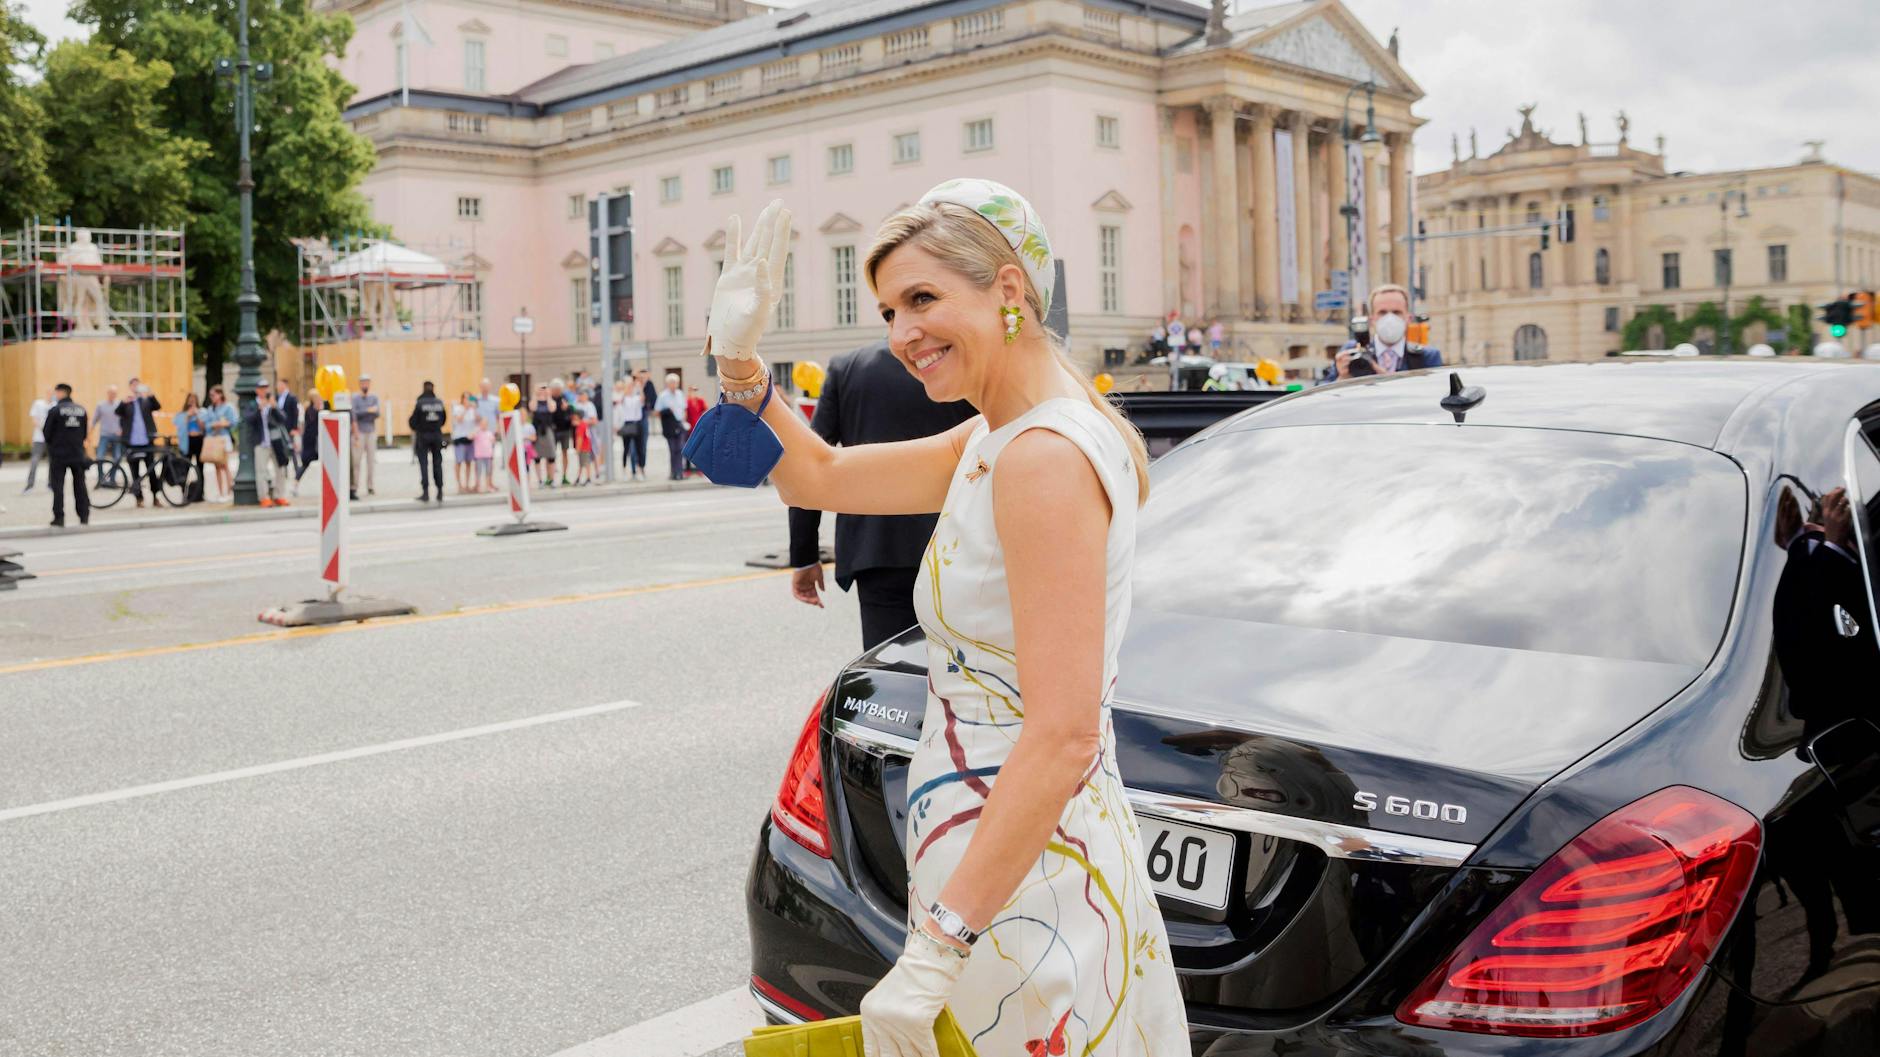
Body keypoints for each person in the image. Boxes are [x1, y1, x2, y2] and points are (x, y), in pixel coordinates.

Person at [699, 189, 1185, 1056]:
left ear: (1008, 288)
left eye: (923, 300)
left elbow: (1064, 731)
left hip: (1021, 879)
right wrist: (741, 365)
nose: (900, 332)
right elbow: (823, 476)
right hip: (1004, 860)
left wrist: (936, 949)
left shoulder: (1039, 457)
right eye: (888, 308)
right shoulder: (1001, 435)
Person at [787, 341, 976, 649]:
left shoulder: (846, 367)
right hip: (957, 542)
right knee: (962, 669)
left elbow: (809, 464)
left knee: (889, 670)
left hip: (876, 547)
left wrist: (804, 556)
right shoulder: (961, 361)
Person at [1322, 283, 1443, 383]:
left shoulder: (1427, 356)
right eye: (1382, 312)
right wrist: (1342, 377)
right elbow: (1324, 397)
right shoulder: (1351, 351)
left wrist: (1378, 372)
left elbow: (1434, 397)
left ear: (1408, 318)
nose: (1389, 318)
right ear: (1371, 319)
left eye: (1396, 312)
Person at [43, 383, 89, 527]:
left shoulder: (55, 410)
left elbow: (46, 433)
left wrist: (54, 446)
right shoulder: (81, 410)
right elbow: (84, 433)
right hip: (77, 453)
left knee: (58, 487)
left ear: (61, 393)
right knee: (80, 486)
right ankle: (84, 515)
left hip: (59, 455)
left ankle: (59, 517)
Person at [117, 377, 163, 508]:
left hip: (146, 441)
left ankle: (156, 497)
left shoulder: (146, 401)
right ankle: (139, 498)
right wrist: (124, 402)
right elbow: (118, 412)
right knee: (134, 471)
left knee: (151, 470)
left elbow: (157, 406)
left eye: (138, 385)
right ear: (130, 387)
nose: (136, 388)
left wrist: (150, 394)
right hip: (132, 442)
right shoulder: (127, 402)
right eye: (134, 385)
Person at [245, 381, 291, 507]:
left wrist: (274, 407)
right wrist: (259, 410)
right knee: (261, 471)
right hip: (261, 442)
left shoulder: (272, 403)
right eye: (261, 388)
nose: (264, 390)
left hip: (276, 442)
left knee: (280, 469)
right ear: (257, 390)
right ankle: (264, 497)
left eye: (266, 387)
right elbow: (248, 420)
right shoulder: (252, 404)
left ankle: (279, 495)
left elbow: (283, 419)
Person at [409, 380, 448, 503]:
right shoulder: (439, 403)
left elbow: (413, 421)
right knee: (437, 463)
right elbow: (443, 419)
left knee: (424, 464)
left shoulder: (420, 403)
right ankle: (440, 491)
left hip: (423, 436)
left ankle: (425, 492)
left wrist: (420, 428)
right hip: (436, 435)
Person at [201, 386, 237, 501]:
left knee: (225, 465)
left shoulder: (228, 407)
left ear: (220, 394)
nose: (212, 398)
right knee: (217, 467)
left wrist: (222, 424)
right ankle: (221, 493)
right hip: (213, 439)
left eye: (213, 395)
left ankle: (229, 491)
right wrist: (213, 425)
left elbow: (233, 422)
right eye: (210, 395)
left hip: (223, 438)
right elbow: (207, 424)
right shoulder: (211, 409)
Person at [350, 373, 380, 499]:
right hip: (359, 432)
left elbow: (377, 413)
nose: (365, 385)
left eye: (367, 382)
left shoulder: (374, 397)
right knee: (356, 461)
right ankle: (354, 486)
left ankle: (370, 486)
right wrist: (368, 411)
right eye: (363, 382)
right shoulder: (355, 398)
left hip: (371, 431)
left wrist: (366, 412)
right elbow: (355, 414)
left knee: (371, 461)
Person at [653, 373, 688, 481]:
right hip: (669, 426)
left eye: (675, 382)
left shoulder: (680, 394)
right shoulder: (663, 396)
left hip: (679, 424)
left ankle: (680, 472)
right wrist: (668, 411)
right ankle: (674, 473)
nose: (674, 384)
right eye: (671, 382)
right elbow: (656, 412)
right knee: (672, 450)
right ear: (667, 384)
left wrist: (684, 420)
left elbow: (684, 408)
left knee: (680, 449)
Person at [173, 392, 206, 500]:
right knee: (185, 469)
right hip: (187, 443)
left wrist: (196, 416)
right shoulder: (182, 414)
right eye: (190, 399)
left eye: (194, 399)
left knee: (200, 469)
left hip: (199, 441)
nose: (192, 401)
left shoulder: (202, 412)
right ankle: (184, 494)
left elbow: (204, 428)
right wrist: (187, 416)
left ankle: (200, 493)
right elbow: (179, 427)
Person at [21, 388, 52, 494]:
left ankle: (51, 484)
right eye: (49, 392)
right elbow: (34, 419)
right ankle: (30, 485)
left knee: (52, 462)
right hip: (39, 438)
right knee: (34, 461)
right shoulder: (38, 404)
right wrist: (44, 428)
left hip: (51, 439)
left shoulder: (55, 405)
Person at [530, 384, 558, 487]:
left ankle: (551, 479)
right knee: (537, 457)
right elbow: (532, 407)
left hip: (547, 430)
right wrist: (535, 394)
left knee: (551, 456)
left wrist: (548, 395)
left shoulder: (550, 401)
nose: (542, 389)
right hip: (537, 431)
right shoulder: (535, 400)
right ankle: (540, 480)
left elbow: (552, 409)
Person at [451, 390, 478, 494]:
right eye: (466, 398)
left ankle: (467, 485)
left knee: (468, 463)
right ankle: (459, 485)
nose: (467, 400)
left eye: (469, 398)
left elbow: (476, 421)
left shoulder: (472, 410)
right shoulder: (458, 408)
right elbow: (459, 420)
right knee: (459, 462)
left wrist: (474, 409)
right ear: (462, 399)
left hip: (470, 439)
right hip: (459, 438)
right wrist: (466, 409)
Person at [549, 378, 574, 485]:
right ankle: (550, 477)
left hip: (565, 430)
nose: (557, 392)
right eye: (556, 390)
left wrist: (567, 408)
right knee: (551, 455)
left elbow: (573, 410)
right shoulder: (549, 399)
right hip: (553, 431)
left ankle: (564, 476)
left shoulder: (565, 398)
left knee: (565, 452)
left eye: (559, 390)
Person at [297, 388, 324, 486]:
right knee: (305, 463)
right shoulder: (310, 409)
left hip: (317, 439)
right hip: (310, 440)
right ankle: (296, 483)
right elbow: (312, 421)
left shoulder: (318, 408)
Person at [277, 381, 301, 491]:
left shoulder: (291, 398)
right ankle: (285, 471)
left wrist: (294, 428)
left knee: (292, 451)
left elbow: (295, 413)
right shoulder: (277, 397)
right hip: (281, 429)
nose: (278, 387)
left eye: (280, 385)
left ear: (285, 385)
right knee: (284, 450)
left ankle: (296, 470)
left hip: (289, 428)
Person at [92, 384, 123, 466]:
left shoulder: (120, 405)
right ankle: (101, 477)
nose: (113, 395)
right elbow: (94, 419)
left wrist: (122, 430)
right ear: (108, 393)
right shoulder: (101, 405)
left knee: (117, 457)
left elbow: (125, 420)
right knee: (100, 456)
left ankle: (112, 477)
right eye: (111, 392)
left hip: (117, 435)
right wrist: (89, 431)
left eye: (115, 393)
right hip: (104, 434)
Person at [683, 384, 709, 476]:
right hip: (689, 429)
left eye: (695, 390)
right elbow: (684, 414)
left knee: (699, 449)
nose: (694, 392)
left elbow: (706, 410)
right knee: (688, 449)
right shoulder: (687, 401)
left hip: (698, 428)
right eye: (692, 390)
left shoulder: (700, 401)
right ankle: (687, 469)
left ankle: (699, 468)